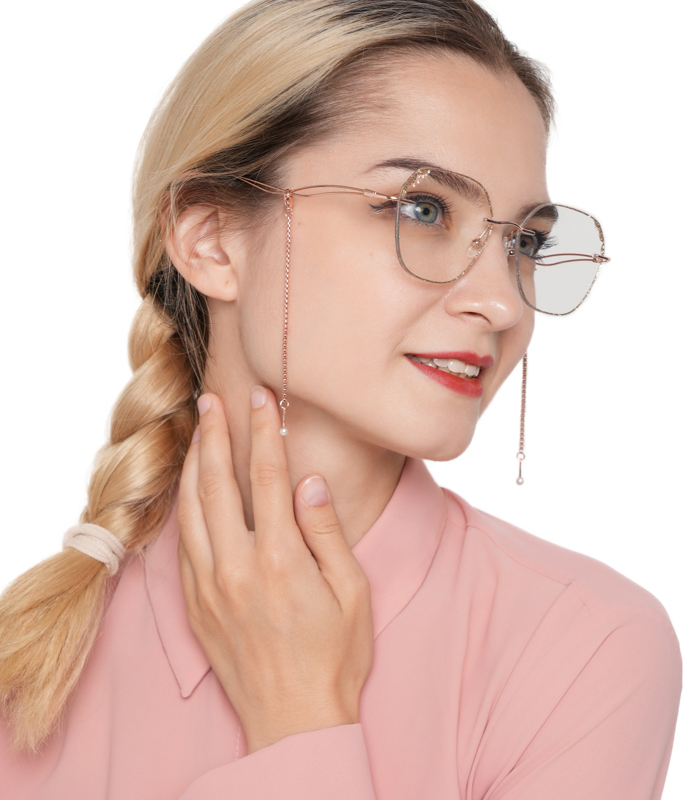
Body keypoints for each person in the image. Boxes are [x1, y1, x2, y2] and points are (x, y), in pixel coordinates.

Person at [0, 0, 682, 797]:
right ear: (211, 239)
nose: (502, 302)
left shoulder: (585, 649)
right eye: (423, 209)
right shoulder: (33, 655)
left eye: (524, 242)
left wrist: (302, 720)